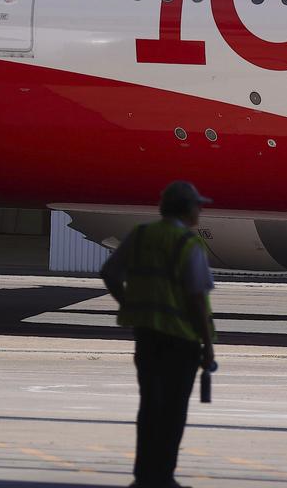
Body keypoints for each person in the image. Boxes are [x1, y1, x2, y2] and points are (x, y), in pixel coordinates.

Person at [101, 181, 216, 488]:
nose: (201, 211)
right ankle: (163, 477)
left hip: (147, 336)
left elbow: (109, 273)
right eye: (197, 205)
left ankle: (143, 477)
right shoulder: (188, 244)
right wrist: (208, 345)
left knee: (150, 407)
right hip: (182, 340)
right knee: (173, 412)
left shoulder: (140, 235)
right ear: (186, 209)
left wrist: (129, 304)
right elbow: (195, 299)